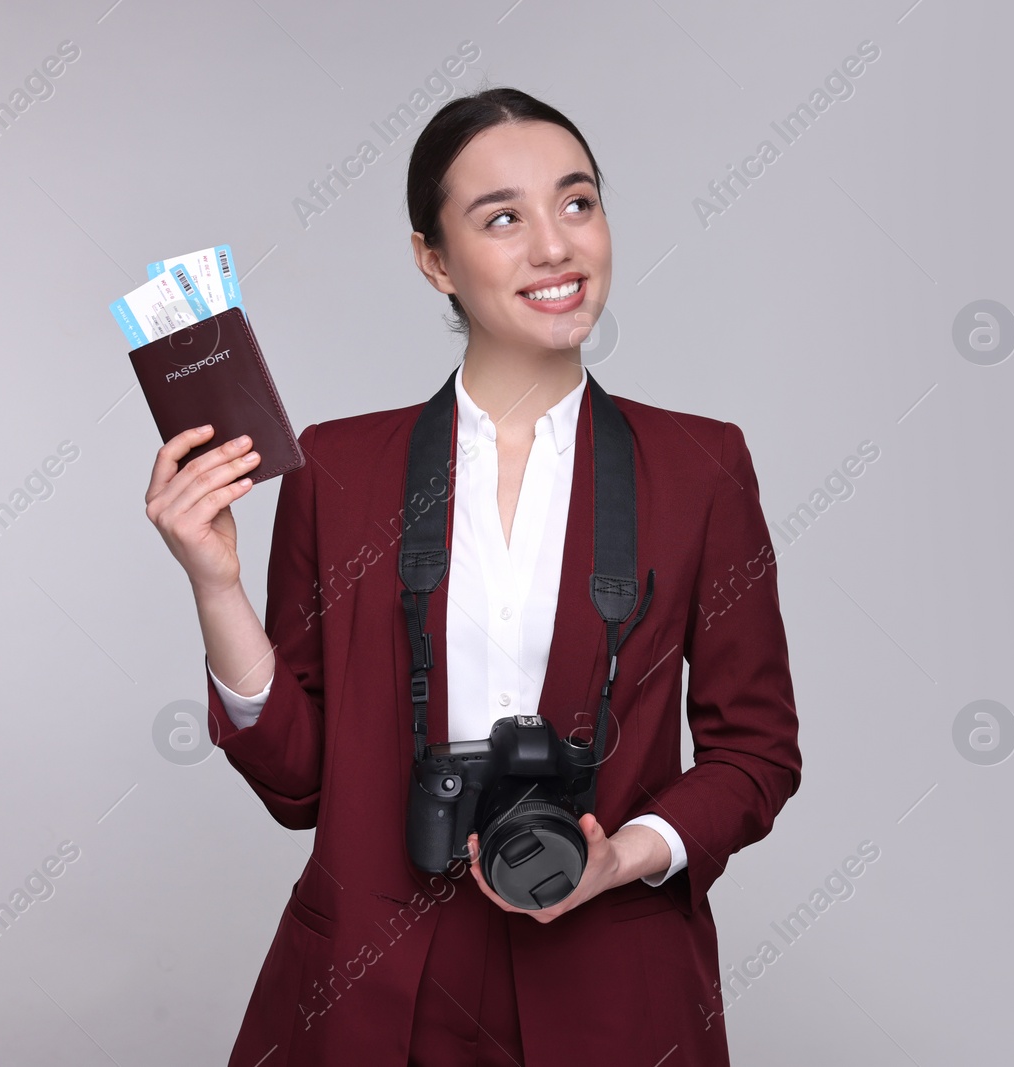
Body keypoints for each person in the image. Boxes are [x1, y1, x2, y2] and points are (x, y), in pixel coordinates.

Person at [144, 88, 801, 1066]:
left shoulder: (701, 466)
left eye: (577, 203)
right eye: (503, 217)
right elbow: (294, 779)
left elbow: (756, 750)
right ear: (433, 258)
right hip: (376, 981)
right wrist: (215, 586)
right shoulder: (340, 466)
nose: (554, 246)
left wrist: (626, 850)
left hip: (610, 985)